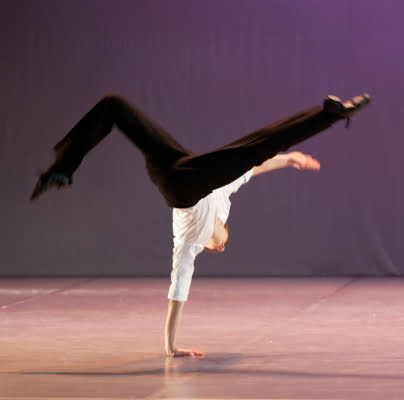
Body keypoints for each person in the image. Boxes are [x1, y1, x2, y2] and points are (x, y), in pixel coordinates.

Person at [30, 93, 371, 357]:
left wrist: (171, 347)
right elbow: (254, 166)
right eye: (223, 242)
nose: (220, 245)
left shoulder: (189, 246)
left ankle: (332, 115)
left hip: (176, 184)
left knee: (255, 149)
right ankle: (62, 170)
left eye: (217, 246)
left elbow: (177, 296)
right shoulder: (223, 199)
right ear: (223, 235)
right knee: (115, 105)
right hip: (190, 168)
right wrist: (290, 160)